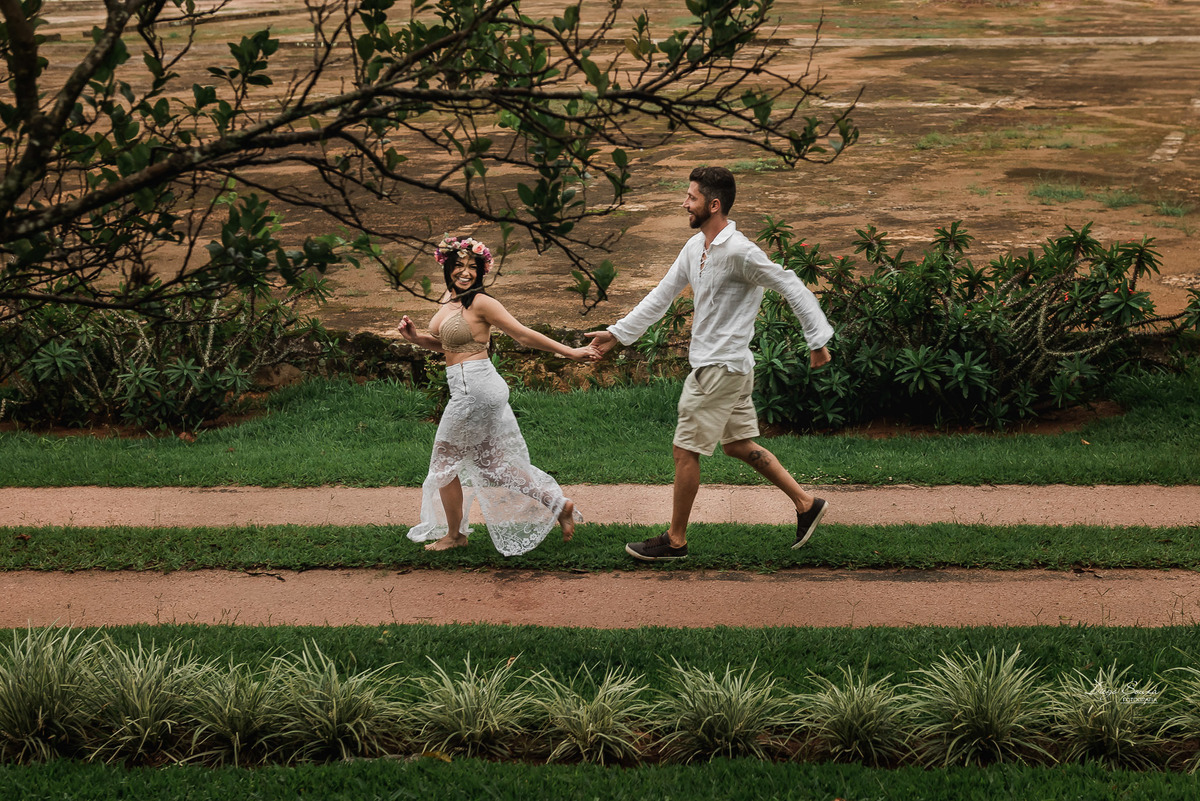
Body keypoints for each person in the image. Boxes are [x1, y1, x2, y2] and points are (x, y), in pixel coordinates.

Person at [586, 166, 834, 560]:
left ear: (713, 204)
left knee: (685, 451)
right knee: (737, 445)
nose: (685, 202)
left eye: (692, 197)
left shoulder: (740, 252)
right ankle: (806, 503)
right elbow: (661, 295)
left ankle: (675, 540)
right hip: (728, 367)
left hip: (720, 369)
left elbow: (790, 283)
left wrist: (817, 340)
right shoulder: (695, 247)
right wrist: (616, 334)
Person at [398, 235, 598, 555]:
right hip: (473, 387)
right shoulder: (449, 302)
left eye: (472, 267)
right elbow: (449, 346)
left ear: (481, 271)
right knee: (493, 467)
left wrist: (571, 353)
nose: (466, 272)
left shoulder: (481, 302)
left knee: (444, 464)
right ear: (447, 266)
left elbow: (522, 334)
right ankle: (560, 506)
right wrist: (417, 339)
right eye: (459, 265)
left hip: (473, 390)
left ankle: (454, 535)